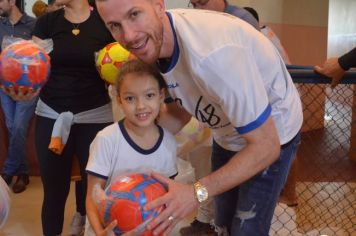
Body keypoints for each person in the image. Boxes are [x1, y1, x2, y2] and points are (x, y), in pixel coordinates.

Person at [95, 1, 303, 235]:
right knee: (222, 224)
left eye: (134, 14)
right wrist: (127, 152)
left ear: (158, 5)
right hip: (227, 132)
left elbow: (267, 146)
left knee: (247, 228)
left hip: (272, 134)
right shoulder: (154, 42)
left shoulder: (214, 56)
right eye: (114, 25)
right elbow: (178, 112)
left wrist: (194, 193)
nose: (129, 36)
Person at [27, 0, 114, 234]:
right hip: (51, 114)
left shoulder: (105, 23)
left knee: (94, 193)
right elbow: (35, 67)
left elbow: (120, 67)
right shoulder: (47, 22)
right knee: (54, 193)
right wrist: (22, 85)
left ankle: (84, 225)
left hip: (95, 117)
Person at [185, 1, 260, 235]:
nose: (198, 9)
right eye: (194, 4)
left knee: (248, 215)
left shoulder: (241, 20)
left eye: (203, 3)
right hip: (221, 132)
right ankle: (209, 221)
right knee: (222, 207)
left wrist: (192, 195)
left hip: (251, 132)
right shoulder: (193, 22)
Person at [85, 60, 177, 236]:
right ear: (119, 99)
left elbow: (167, 196)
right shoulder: (106, 140)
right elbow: (92, 196)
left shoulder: (169, 142)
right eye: (130, 98)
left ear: (161, 95)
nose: (141, 105)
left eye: (149, 95)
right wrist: (100, 232)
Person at [0, 0, 37, 194]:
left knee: (18, 126)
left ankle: (9, 170)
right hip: (4, 87)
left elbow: (40, 55)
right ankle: (22, 173)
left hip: (28, 88)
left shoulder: (33, 25)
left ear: (12, 2)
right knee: (10, 125)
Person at [189, 0, 259, 31]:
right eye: (194, 5)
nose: (198, 9)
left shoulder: (244, 19)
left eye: (202, 2)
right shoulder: (200, 22)